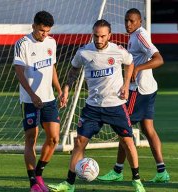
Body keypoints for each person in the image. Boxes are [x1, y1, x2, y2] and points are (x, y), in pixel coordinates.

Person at [48, 19, 145, 192]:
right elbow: (74, 70)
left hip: (115, 105)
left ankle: (137, 181)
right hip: (93, 107)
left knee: (127, 141)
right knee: (79, 142)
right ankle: (69, 184)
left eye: (102, 36)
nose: (98, 40)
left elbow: (130, 62)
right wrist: (66, 89)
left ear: (109, 35)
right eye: (95, 36)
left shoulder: (118, 50)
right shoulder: (84, 52)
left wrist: (125, 84)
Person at [97, 8, 170, 183]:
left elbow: (159, 59)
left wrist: (137, 68)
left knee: (123, 127)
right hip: (148, 88)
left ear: (139, 22)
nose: (128, 24)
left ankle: (118, 171)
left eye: (132, 21)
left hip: (138, 91)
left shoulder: (140, 35)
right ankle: (161, 172)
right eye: (126, 20)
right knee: (147, 129)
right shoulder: (134, 36)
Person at [13, 11, 65, 192]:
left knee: (54, 138)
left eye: (47, 31)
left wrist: (59, 90)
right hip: (29, 100)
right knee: (31, 138)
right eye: (42, 30)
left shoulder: (51, 42)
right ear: (33, 26)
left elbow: (52, 67)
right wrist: (32, 94)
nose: (45, 34)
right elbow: (19, 71)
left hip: (49, 99)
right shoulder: (23, 44)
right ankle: (33, 183)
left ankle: (39, 173)